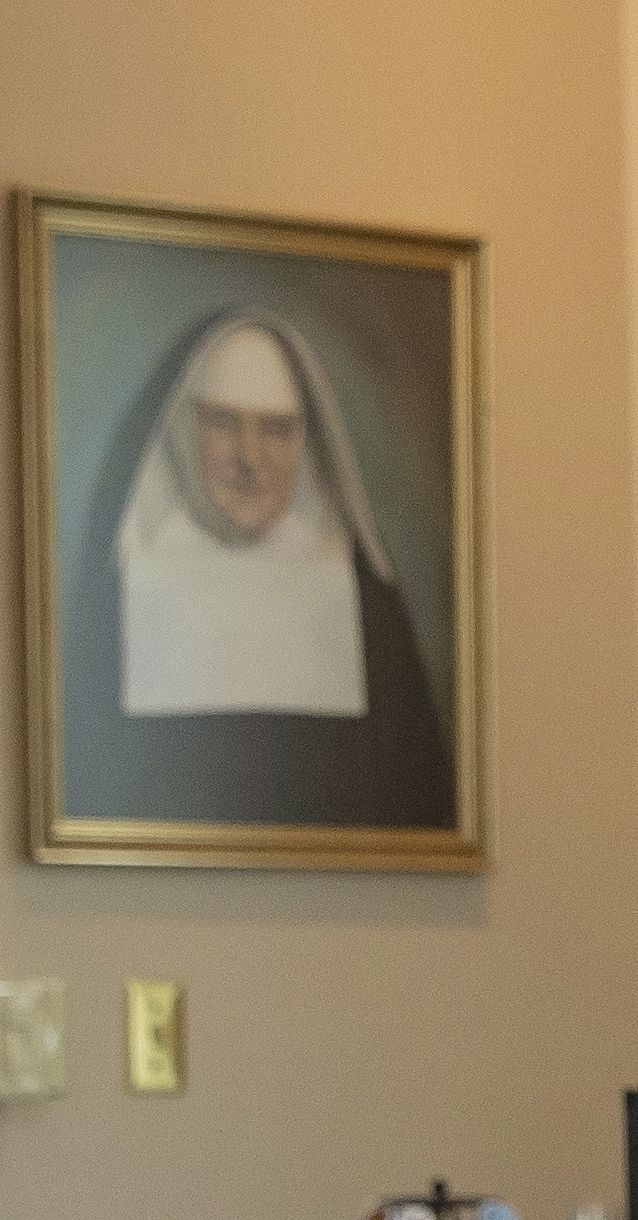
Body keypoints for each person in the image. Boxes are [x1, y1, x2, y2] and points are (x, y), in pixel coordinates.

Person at [60, 306, 456, 837]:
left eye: (276, 430)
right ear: (178, 429)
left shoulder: (368, 606)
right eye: (222, 423)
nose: (250, 458)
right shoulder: (120, 598)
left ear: (307, 442)